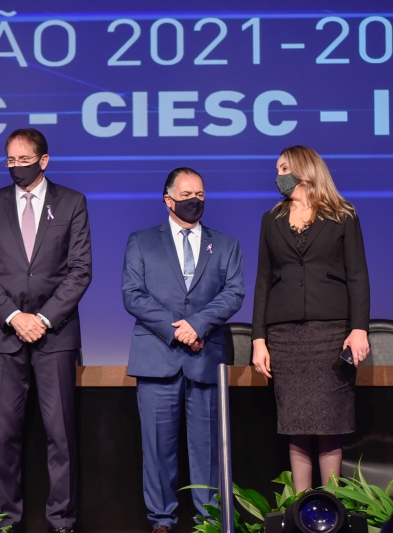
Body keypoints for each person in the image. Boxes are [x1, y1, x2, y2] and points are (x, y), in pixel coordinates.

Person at [0, 128, 92, 533]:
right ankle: (4, 521)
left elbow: (80, 270)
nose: (16, 167)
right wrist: (14, 316)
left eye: (24, 160)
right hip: (5, 334)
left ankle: (62, 521)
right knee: (4, 435)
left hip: (55, 334)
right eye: (10, 160)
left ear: (44, 160)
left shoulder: (72, 202)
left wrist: (42, 319)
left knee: (61, 435)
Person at [122, 168, 244, 533]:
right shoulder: (141, 241)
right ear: (168, 199)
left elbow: (233, 292)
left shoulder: (226, 245)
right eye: (187, 194)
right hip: (157, 357)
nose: (195, 201)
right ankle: (161, 520)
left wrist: (198, 325)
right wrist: (178, 331)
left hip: (205, 358)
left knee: (208, 449)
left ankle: (209, 521)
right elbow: (133, 294)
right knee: (157, 448)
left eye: (200, 195)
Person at [251, 145, 371, 492]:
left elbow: (357, 275)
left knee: (329, 422)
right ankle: (301, 506)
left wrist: (359, 329)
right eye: (277, 169)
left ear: (303, 169)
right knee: (296, 424)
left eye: (283, 168)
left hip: (330, 333)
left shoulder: (342, 215)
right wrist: (258, 339)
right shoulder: (271, 219)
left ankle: (331, 505)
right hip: (285, 336)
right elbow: (263, 280)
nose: (278, 176)